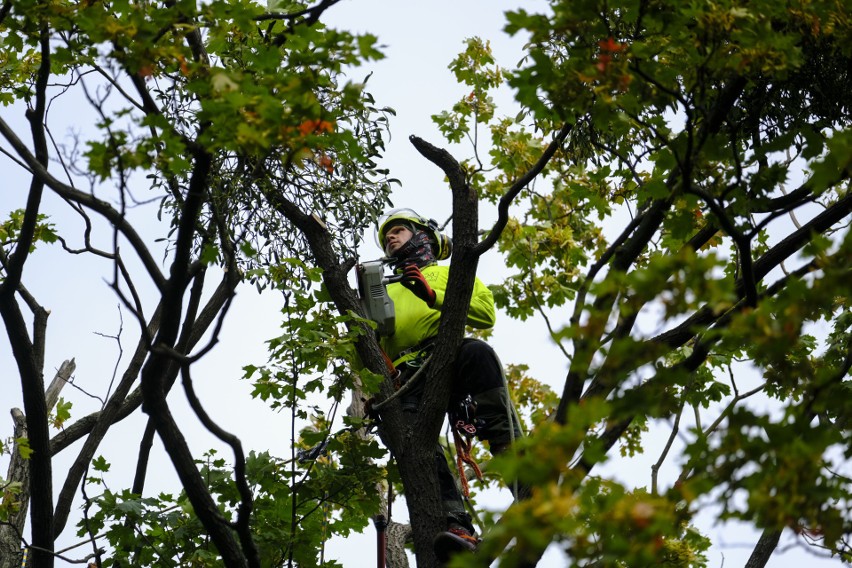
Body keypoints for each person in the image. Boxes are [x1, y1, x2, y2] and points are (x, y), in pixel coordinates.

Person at [375, 208, 523, 561]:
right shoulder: (384, 292)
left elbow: (485, 313)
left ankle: (518, 463)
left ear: (422, 235)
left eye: (397, 231)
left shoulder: (446, 275)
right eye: (386, 237)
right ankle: (456, 527)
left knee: (478, 353)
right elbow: (371, 348)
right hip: (405, 374)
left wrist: (433, 295)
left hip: (447, 352)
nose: (391, 239)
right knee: (411, 437)